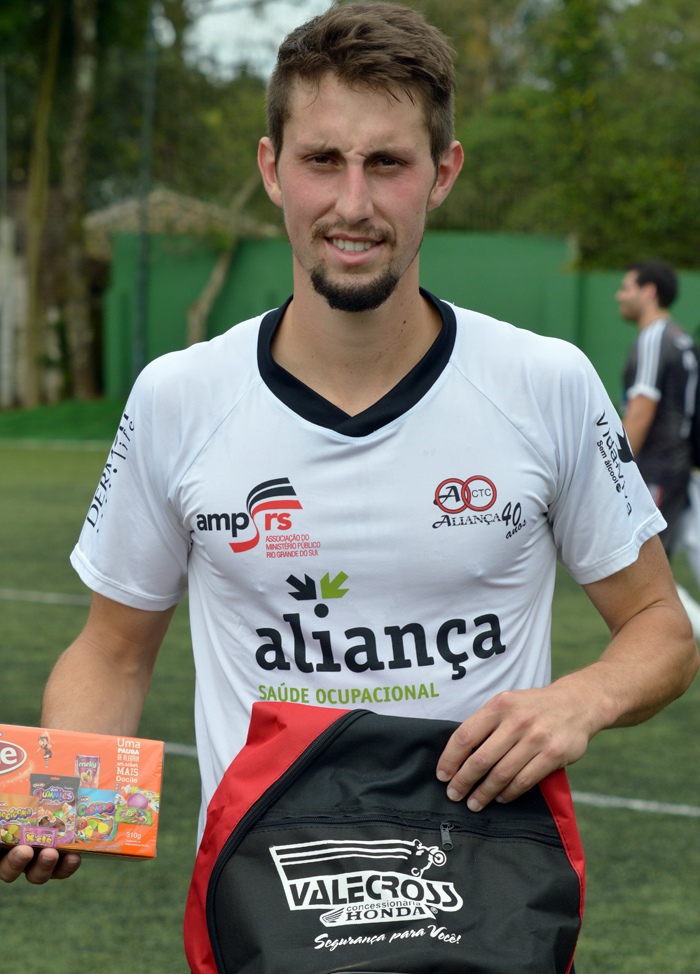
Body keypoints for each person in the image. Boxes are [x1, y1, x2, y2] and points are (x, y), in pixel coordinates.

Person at [3, 2, 697, 906]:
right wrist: (61, 808)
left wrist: (583, 699)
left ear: (442, 174)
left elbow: (661, 628)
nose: (354, 203)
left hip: (488, 901)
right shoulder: (180, 397)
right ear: (272, 169)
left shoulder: (545, 381)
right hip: (265, 898)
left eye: (389, 163)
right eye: (322, 160)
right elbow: (114, 649)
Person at [616, 260, 698, 555]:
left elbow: (640, 413)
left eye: (626, 288)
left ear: (648, 292)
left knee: (642, 566)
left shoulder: (654, 337)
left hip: (657, 469)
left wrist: (613, 472)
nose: (619, 296)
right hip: (677, 466)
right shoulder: (680, 336)